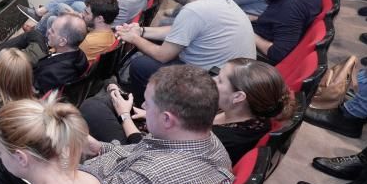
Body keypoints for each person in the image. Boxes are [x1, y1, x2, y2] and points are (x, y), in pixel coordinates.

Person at [82, 65, 234, 184]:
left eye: (147, 103)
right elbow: (139, 153)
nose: (144, 107)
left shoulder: (151, 180)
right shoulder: (206, 139)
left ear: (167, 120)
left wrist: (58, 163)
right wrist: (100, 147)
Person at [83, 58, 292, 163]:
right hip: (162, 136)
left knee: (93, 106)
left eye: (219, 80)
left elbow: (151, 153)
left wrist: (125, 116)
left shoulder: (227, 139)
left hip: (147, 150)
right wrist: (148, 114)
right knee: (109, 100)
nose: (212, 80)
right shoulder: (240, 113)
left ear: (239, 97)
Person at [117, 0, 256, 103]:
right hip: (235, 79)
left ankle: (143, 112)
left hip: (212, 86)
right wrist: (141, 31)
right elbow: (179, 30)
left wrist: (134, 38)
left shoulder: (194, 10)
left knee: (141, 66)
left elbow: (162, 55)